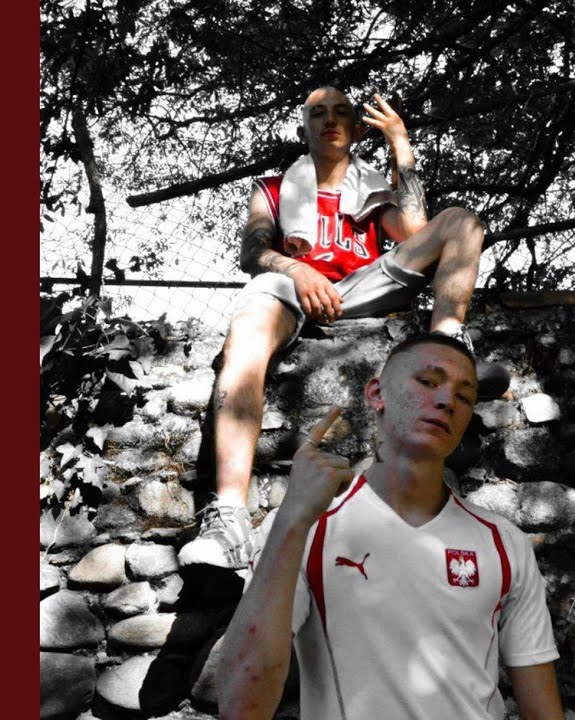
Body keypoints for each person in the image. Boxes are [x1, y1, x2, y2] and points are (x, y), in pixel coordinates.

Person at [180, 85, 490, 570]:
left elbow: (415, 233)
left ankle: (447, 341)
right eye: (318, 113)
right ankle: (229, 520)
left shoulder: (371, 187)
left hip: (362, 287)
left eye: (342, 112)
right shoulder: (273, 188)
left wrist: (400, 143)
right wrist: (299, 271)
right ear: (302, 127)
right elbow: (253, 253)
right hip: (294, 288)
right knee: (247, 327)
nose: (330, 120)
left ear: (356, 129)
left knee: (462, 223)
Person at [216, 334, 563, 720]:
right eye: (428, 381)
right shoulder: (306, 528)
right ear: (377, 393)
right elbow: (241, 706)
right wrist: (292, 520)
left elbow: (543, 712)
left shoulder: (505, 543)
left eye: (464, 396)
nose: (447, 400)